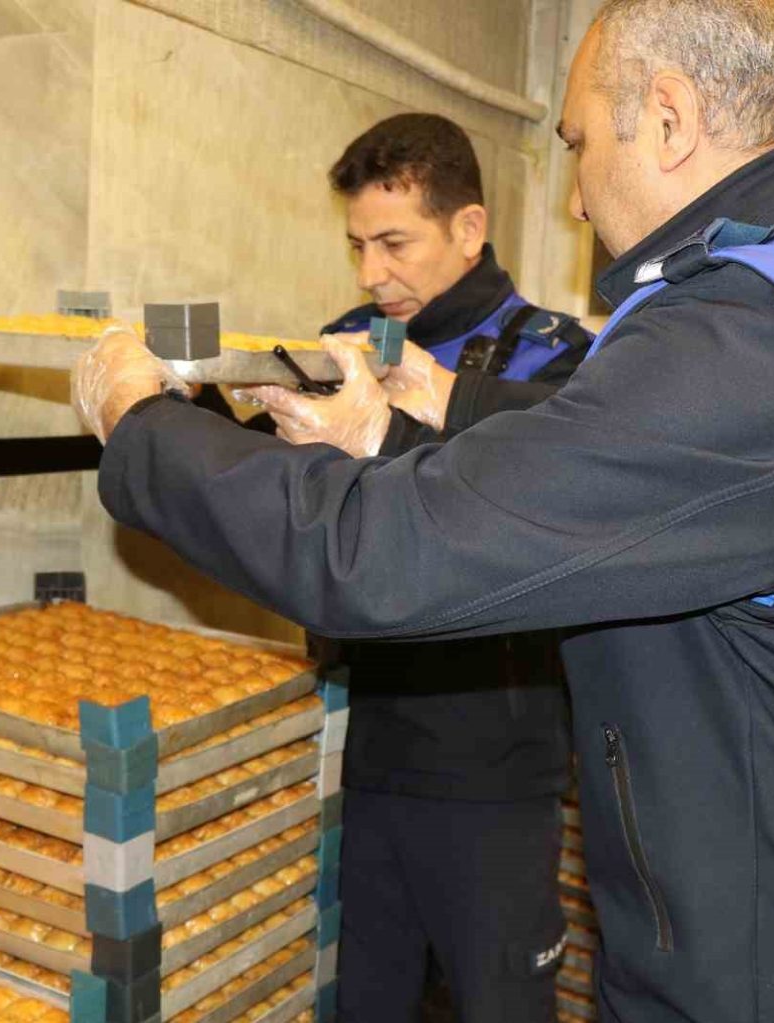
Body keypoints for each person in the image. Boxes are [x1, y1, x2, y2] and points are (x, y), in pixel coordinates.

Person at [74, 1, 774, 1020]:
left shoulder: (752, 334)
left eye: (578, 143)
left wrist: (143, 426)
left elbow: (376, 555)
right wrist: (414, 420)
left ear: (669, 118)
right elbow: (653, 472)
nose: (574, 199)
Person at [239, 113, 593, 1023]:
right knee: (363, 1000)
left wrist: (417, 413)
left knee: (499, 1003)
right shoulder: (340, 344)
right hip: (360, 741)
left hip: (493, 765)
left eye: (394, 243)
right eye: (357, 245)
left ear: (468, 229)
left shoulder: (557, 359)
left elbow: (546, 502)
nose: (370, 274)